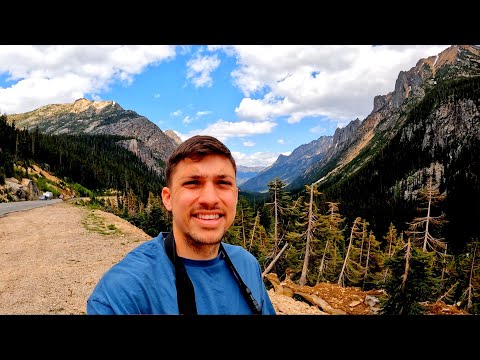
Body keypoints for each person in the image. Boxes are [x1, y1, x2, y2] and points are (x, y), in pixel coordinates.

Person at [86, 135, 277, 315]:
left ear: (235, 196)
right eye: (193, 183)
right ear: (168, 199)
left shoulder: (247, 264)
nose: (210, 199)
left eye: (223, 183)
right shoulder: (123, 292)